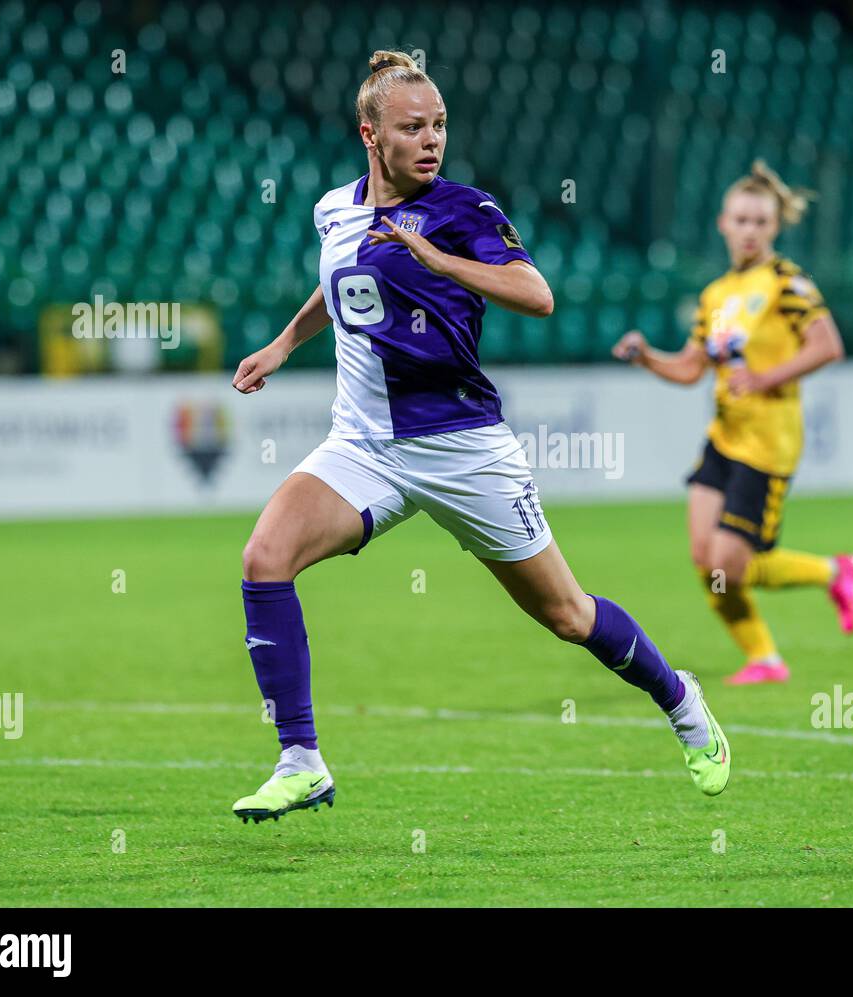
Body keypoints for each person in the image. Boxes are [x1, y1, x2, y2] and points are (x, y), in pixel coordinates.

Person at [228, 51, 731, 823]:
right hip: (363, 446)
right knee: (265, 557)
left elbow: (539, 295)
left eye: (439, 126)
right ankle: (301, 759)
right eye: (412, 128)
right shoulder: (336, 209)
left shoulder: (465, 210)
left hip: (462, 446)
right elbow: (342, 283)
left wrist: (439, 258)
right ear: (370, 134)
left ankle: (681, 698)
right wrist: (282, 345)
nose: (431, 141)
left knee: (568, 614)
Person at [612, 161, 853, 686]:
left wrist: (767, 377)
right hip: (725, 438)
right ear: (723, 224)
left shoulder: (788, 283)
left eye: (760, 222)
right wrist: (646, 356)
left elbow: (828, 346)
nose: (749, 230)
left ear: (774, 228)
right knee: (705, 559)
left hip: (768, 444)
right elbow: (690, 369)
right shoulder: (715, 296)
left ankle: (835, 572)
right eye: (741, 220)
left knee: (733, 568)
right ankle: (765, 659)